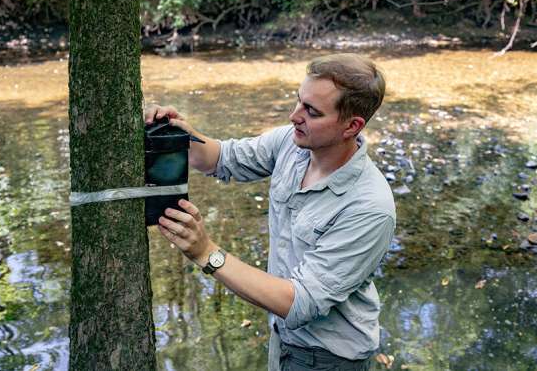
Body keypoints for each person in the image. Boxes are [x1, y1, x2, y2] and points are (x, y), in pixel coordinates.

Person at [146, 53, 395, 371]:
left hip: (329, 358)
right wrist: (180, 134)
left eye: (311, 111)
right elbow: (223, 158)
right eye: (298, 101)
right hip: (283, 337)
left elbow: (299, 302)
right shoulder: (293, 143)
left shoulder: (369, 208)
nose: (294, 116)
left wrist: (206, 252)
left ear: (352, 126)